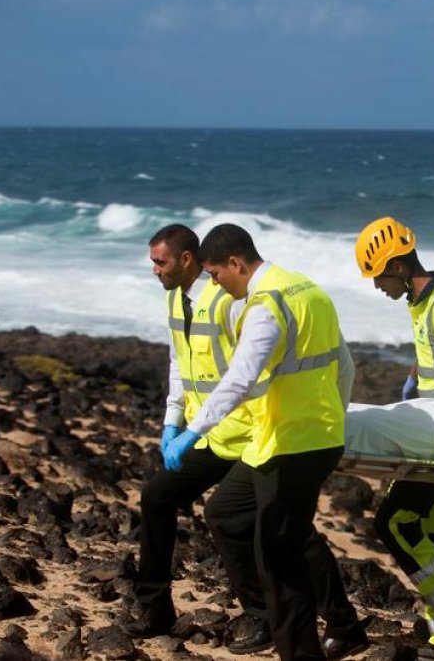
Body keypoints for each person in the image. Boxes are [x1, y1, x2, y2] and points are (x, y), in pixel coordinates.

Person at [172, 224, 369, 660]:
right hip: (288, 441)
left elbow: (239, 378)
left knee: (279, 560)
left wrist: (193, 430)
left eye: (215, 274)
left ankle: (305, 648)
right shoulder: (309, 290)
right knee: (226, 513)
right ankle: (297, 620)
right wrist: (333, 420)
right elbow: (346, 367)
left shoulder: (265, 306)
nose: (214, 285)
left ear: (236, 263)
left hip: (291, 447)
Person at [354, 216, 434, 657]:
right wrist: (413, 376)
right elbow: (433, 354)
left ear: (399, 266)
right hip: (429, 427)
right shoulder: (420, 303)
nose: (377, 287)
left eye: (379, 276)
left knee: (393, 522)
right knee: (432, 528)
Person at [126, 224, 254, 638]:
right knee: (157, 496)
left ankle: (265, 615)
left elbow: (248, 371)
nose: (155, 271)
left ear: (185, 259)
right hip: (209, 435)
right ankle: (156, 609)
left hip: (249, 434)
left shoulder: (226, 297)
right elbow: (179, 364)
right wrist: (172, 422)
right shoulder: (175, 298)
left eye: (160, 262)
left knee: (267, 523)